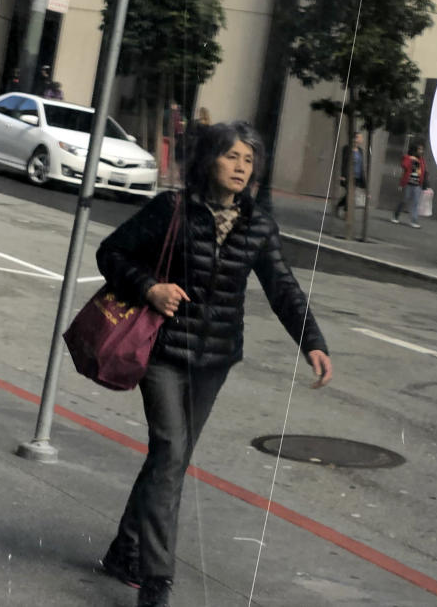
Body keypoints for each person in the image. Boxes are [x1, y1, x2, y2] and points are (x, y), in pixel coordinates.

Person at [95, 120, 333, 607]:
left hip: (215, 360)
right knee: (169, 453)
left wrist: (312, 340)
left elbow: (282, 287)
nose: (242, 167)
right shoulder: (173, 210)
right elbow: (112, 251)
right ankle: (156, 579)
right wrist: (150, 288)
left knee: (170, 461)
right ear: (209, 160)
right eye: (232, 157)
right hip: (163, 350)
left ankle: (125, 550)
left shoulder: (258, 225)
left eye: (249, 160)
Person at [392, 141, 427, 227]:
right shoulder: (408, 157)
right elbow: (404, 166)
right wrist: (410, 159)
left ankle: (414, 221)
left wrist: (423, 183)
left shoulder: (421, 160)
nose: (421, 151)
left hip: (417, 184)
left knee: (415, 203)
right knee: (404, 200)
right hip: (408, 183)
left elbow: (423, 171)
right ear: (414, 150)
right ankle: (396, 215)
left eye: (422, 149)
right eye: (419, 149)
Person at [334, 132, 368, 218]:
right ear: (355, 138)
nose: (361, 139)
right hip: (348, 176)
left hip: (357, 177)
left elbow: (361, 166)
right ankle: (346, 213)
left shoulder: (360, 151)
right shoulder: (347, 148)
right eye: (360, 137)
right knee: (350, 194)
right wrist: (342, 175)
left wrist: (363, 180)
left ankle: (338, 206)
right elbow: (344, 163)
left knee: (350, 194)